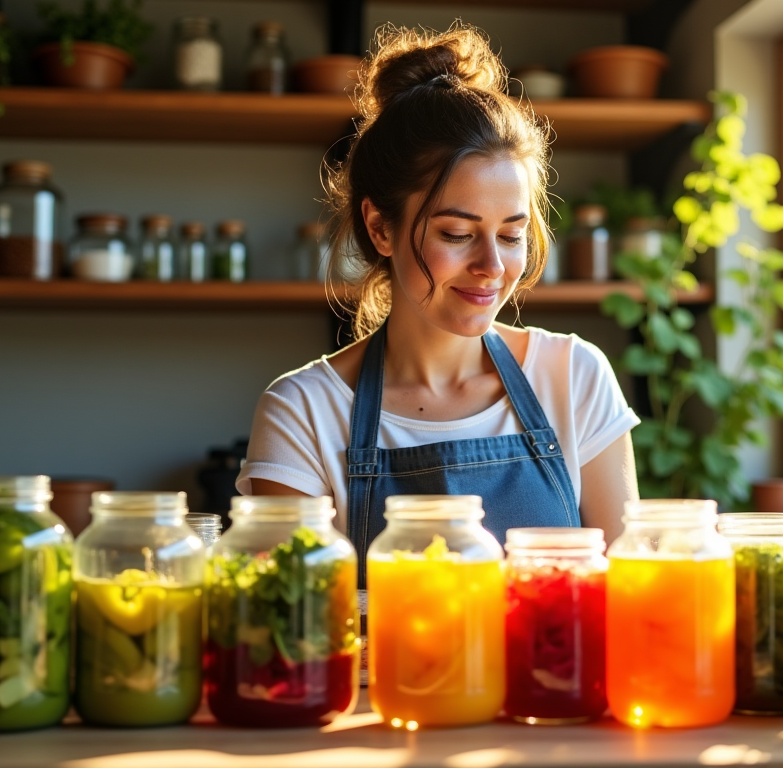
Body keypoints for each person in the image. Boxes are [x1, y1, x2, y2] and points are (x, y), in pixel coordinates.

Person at [237, 23, 639, 567]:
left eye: (511, 235)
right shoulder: (305, 412)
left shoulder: (573, 378)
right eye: (456, 234)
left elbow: (625, 595)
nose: (492, 267)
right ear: (380, 228)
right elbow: (298, 631)